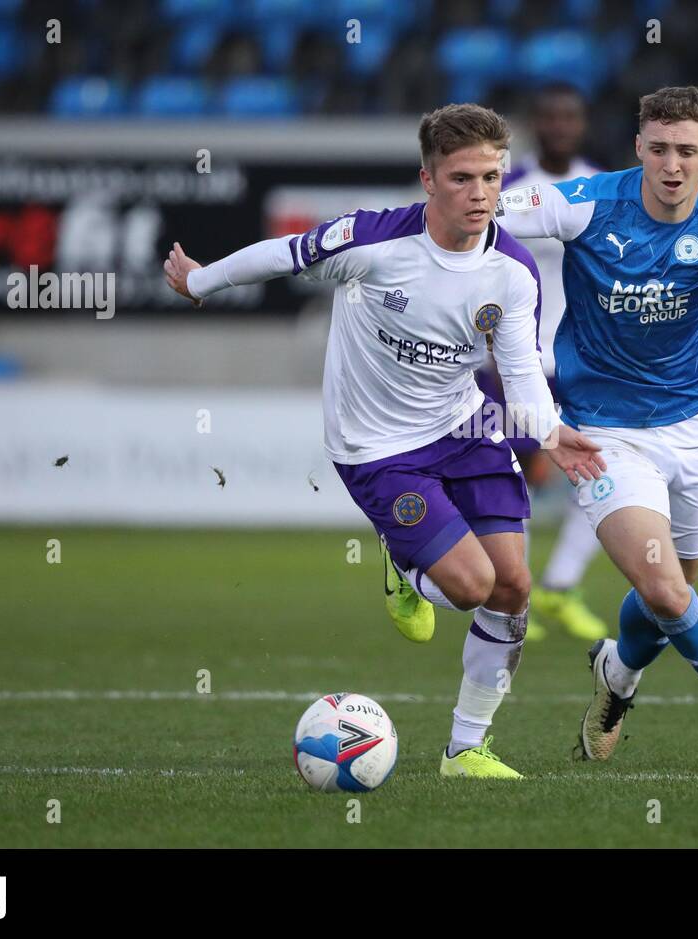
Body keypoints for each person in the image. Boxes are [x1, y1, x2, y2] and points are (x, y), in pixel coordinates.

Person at [163, 103, 605, 779]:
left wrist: (548, 432)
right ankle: (403, 562)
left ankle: (465, 751)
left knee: (512, 586)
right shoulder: (371, 242)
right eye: (462, 178)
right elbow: (281, 255)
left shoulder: (512, 273)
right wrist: (200, 280)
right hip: (376, 445)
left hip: (464, 422)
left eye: (490, 177)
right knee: (472, 585)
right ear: (427, 180)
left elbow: (520, 376)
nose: (480, 193)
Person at [494, 86, 698, 772]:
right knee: (670, 594)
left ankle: (616, 676)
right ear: (639, 147)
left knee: (672, 601)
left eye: (688, 152)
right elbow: (478, 208)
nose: (673, 165)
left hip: (692, 431)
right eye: (661, 149)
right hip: (605, 435)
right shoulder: (585, 201)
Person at [483, 82, 609, 644]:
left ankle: (561, 585)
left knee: (602, 471)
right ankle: (523, 595)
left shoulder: (602, 187)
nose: (560, 125)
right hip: (515, 359)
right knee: (516, 479)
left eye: (570, 115)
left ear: (581, 123)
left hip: (582, 359)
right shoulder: (508, 190)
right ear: (534, 124)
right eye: (550, 116)